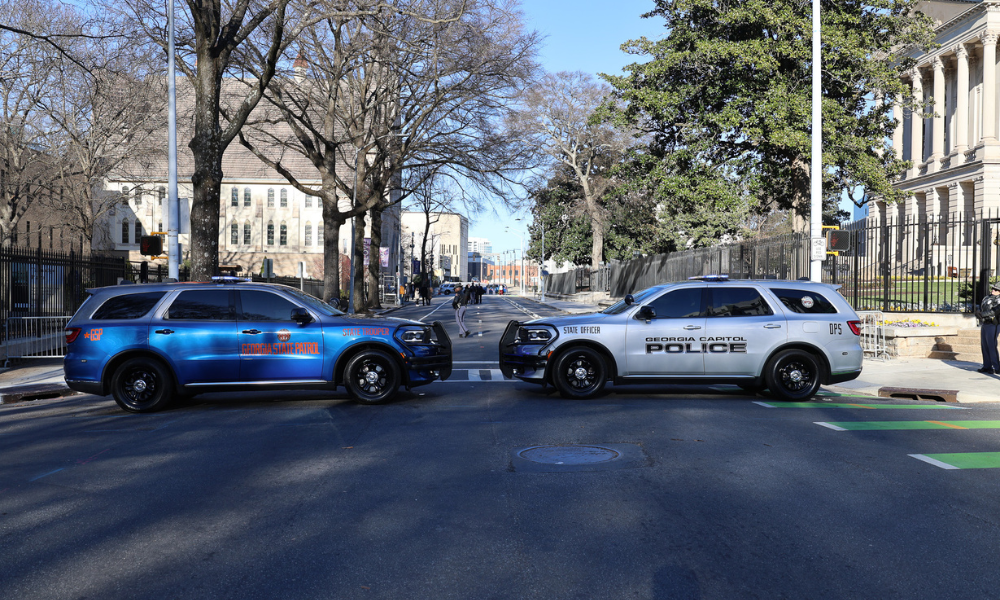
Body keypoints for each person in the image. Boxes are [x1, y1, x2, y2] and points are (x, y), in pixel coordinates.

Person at [979, 282, 1000, 374]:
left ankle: (997, 367)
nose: (993, 290)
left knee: (991, 345)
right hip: (985, 323)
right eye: (993, 288)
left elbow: (995, 311)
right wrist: (979, 313)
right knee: (984, 345)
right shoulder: (987, 297)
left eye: (996, 289)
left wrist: (982, 314)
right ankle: (987, 366)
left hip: (993, 324)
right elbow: (982, 307)